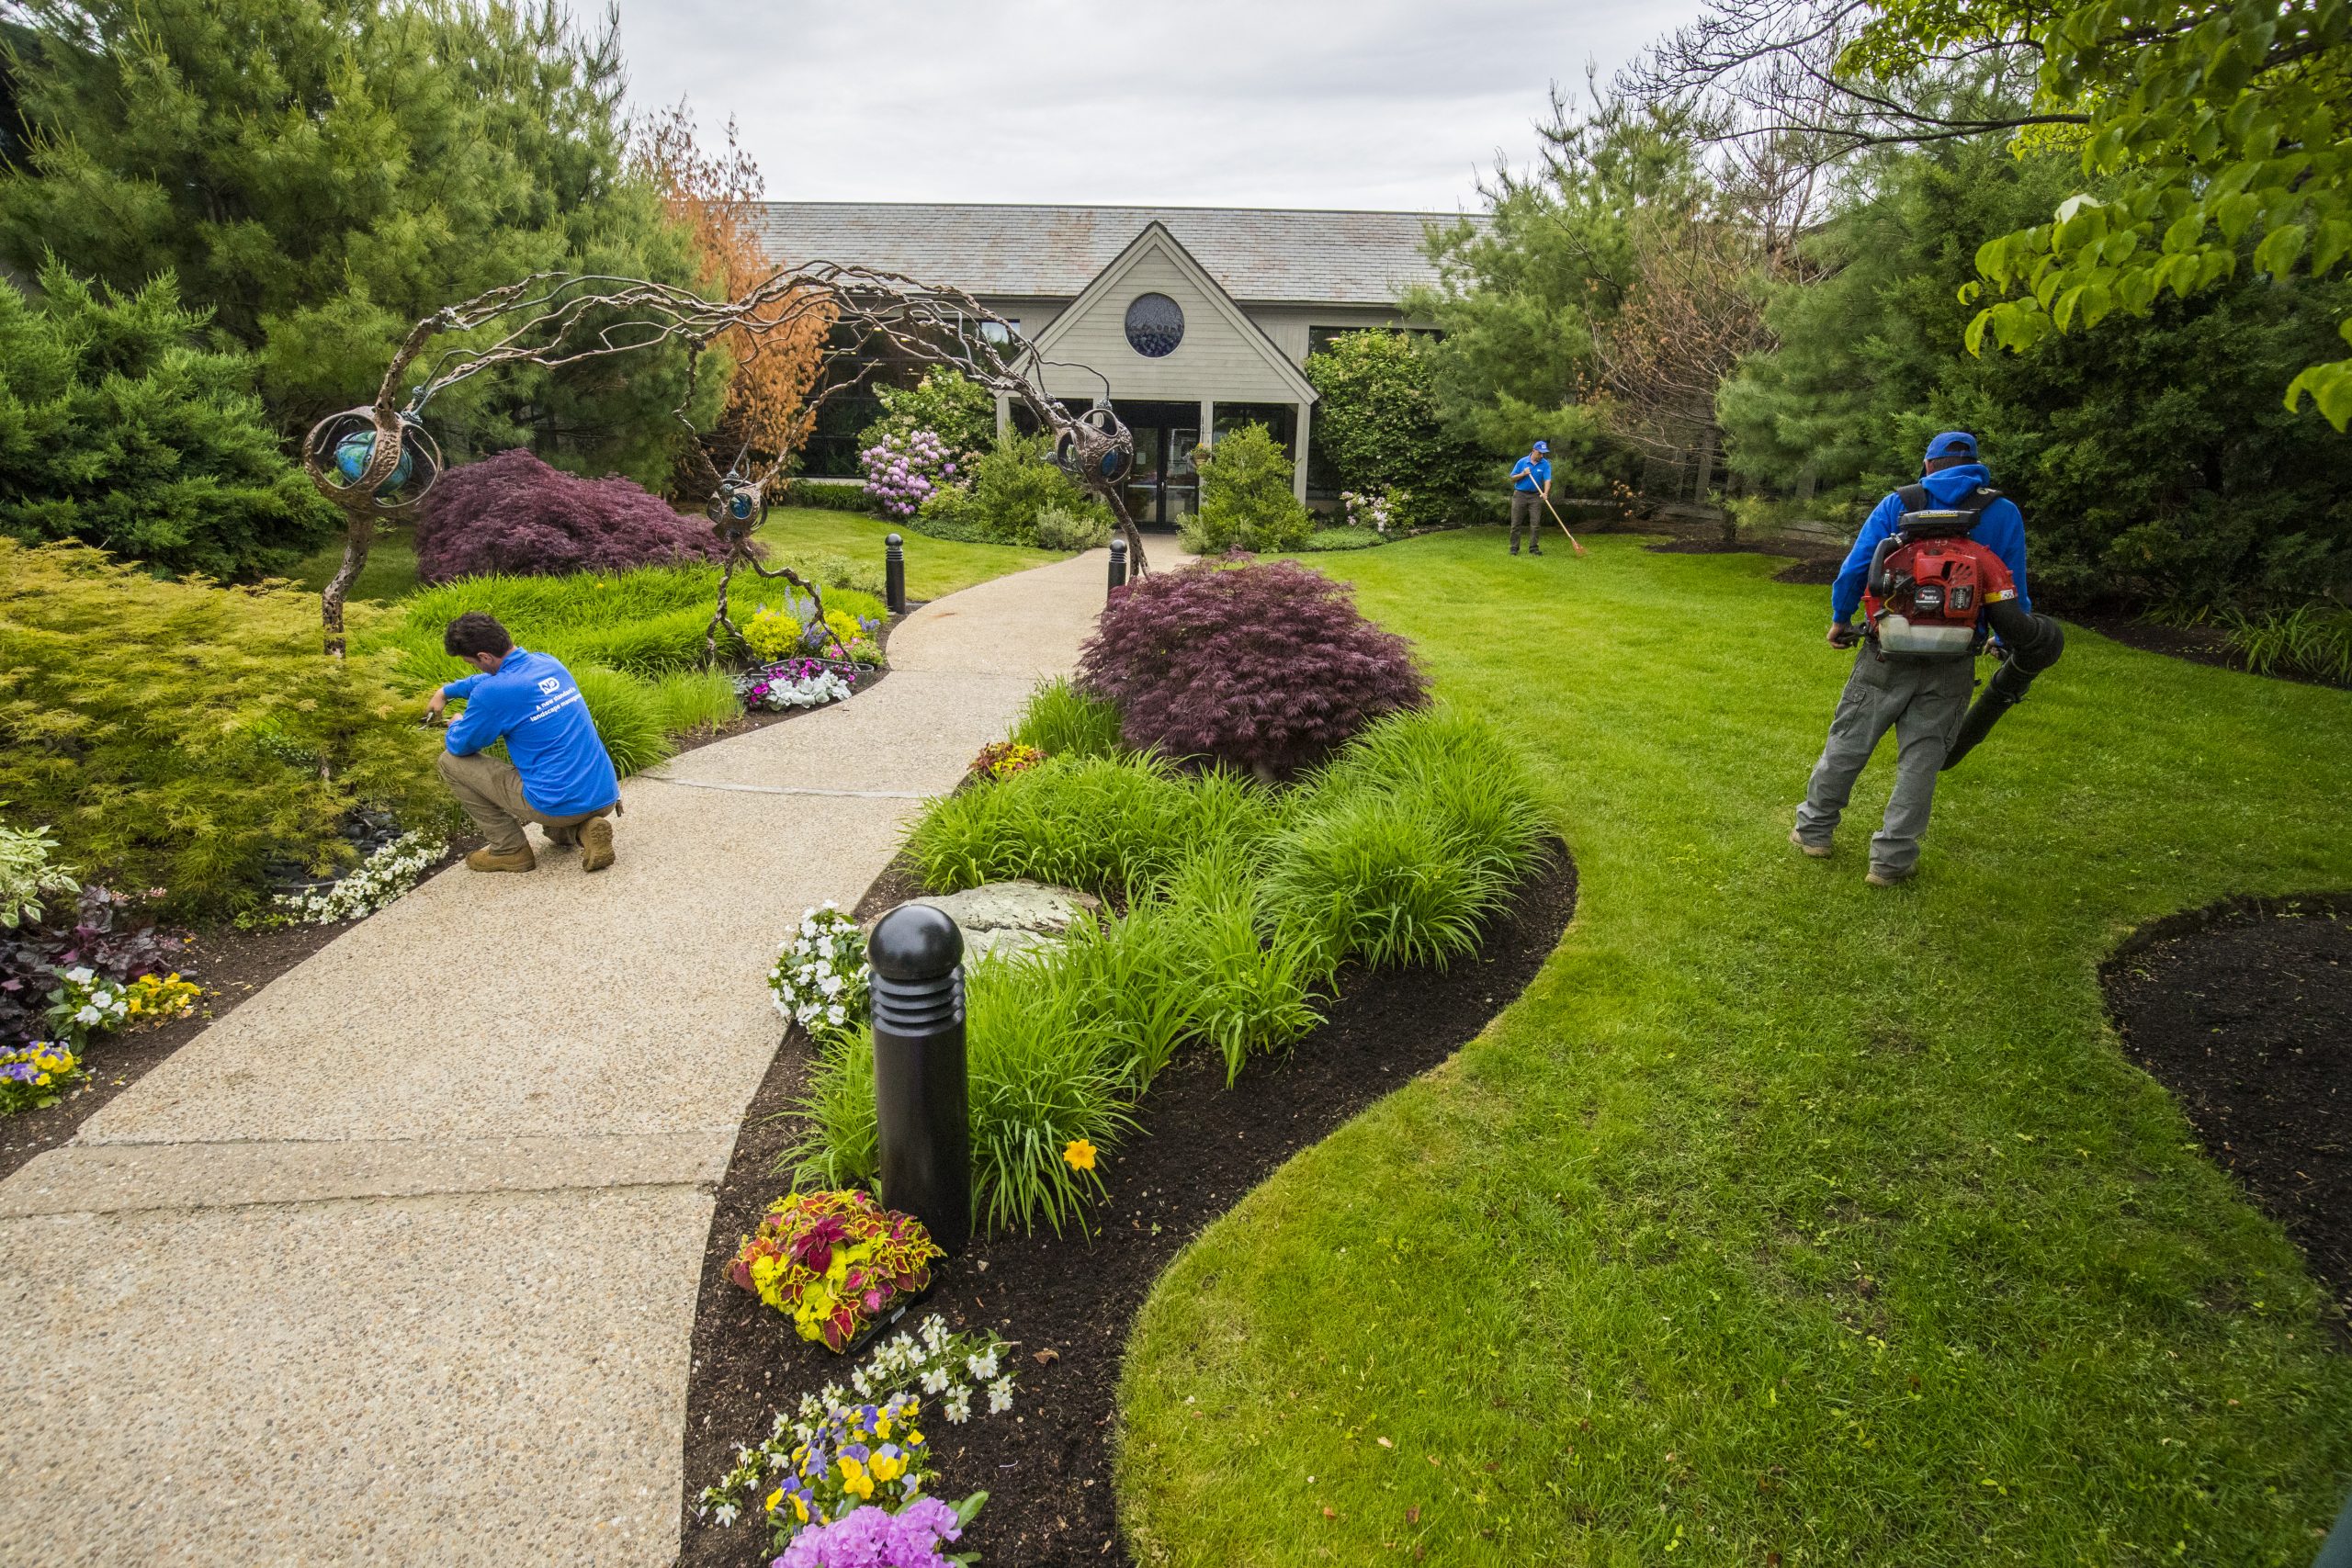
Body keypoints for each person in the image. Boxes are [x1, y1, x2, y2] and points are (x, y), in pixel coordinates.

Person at [1790, 431, 2030, 886]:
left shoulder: (1897, 503)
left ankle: (1814, 832)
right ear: (1977, 466)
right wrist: (2007, 635)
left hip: (1887, 649)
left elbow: (1858, 567)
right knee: (1921, 759)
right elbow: (2012, 582)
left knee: (1848, 743)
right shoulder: (2002, 512)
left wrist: (1841, 619)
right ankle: (1891, 862)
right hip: (1954, 656)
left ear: (1928, 465)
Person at [427, 612, 620, 874]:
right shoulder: (548, 663)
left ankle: (509, 850)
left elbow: (461, 746)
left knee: (449, 762)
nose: (476, 668)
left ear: (484, 657)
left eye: (473, 662)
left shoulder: (492, 693)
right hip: (605, 794)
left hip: (557, 804)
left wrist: (457, 723)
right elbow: (498, 679)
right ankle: (583, 831)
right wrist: (448, 690)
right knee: (554, 808)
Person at [1508, 439, 1551, 556]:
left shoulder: (1545, 464)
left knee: (1535, 524)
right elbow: (1512, 478)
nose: (1542, 455)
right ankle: (1514, 548)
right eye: (1540, 453)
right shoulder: (1522, 462)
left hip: (1536, 496)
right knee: (1516, 523)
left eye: (1543, 453)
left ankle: (1533, 548)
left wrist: (1545, 493)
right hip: (1520, 495)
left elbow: (1547, 479)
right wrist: (1523, 474)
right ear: (1534, 451)